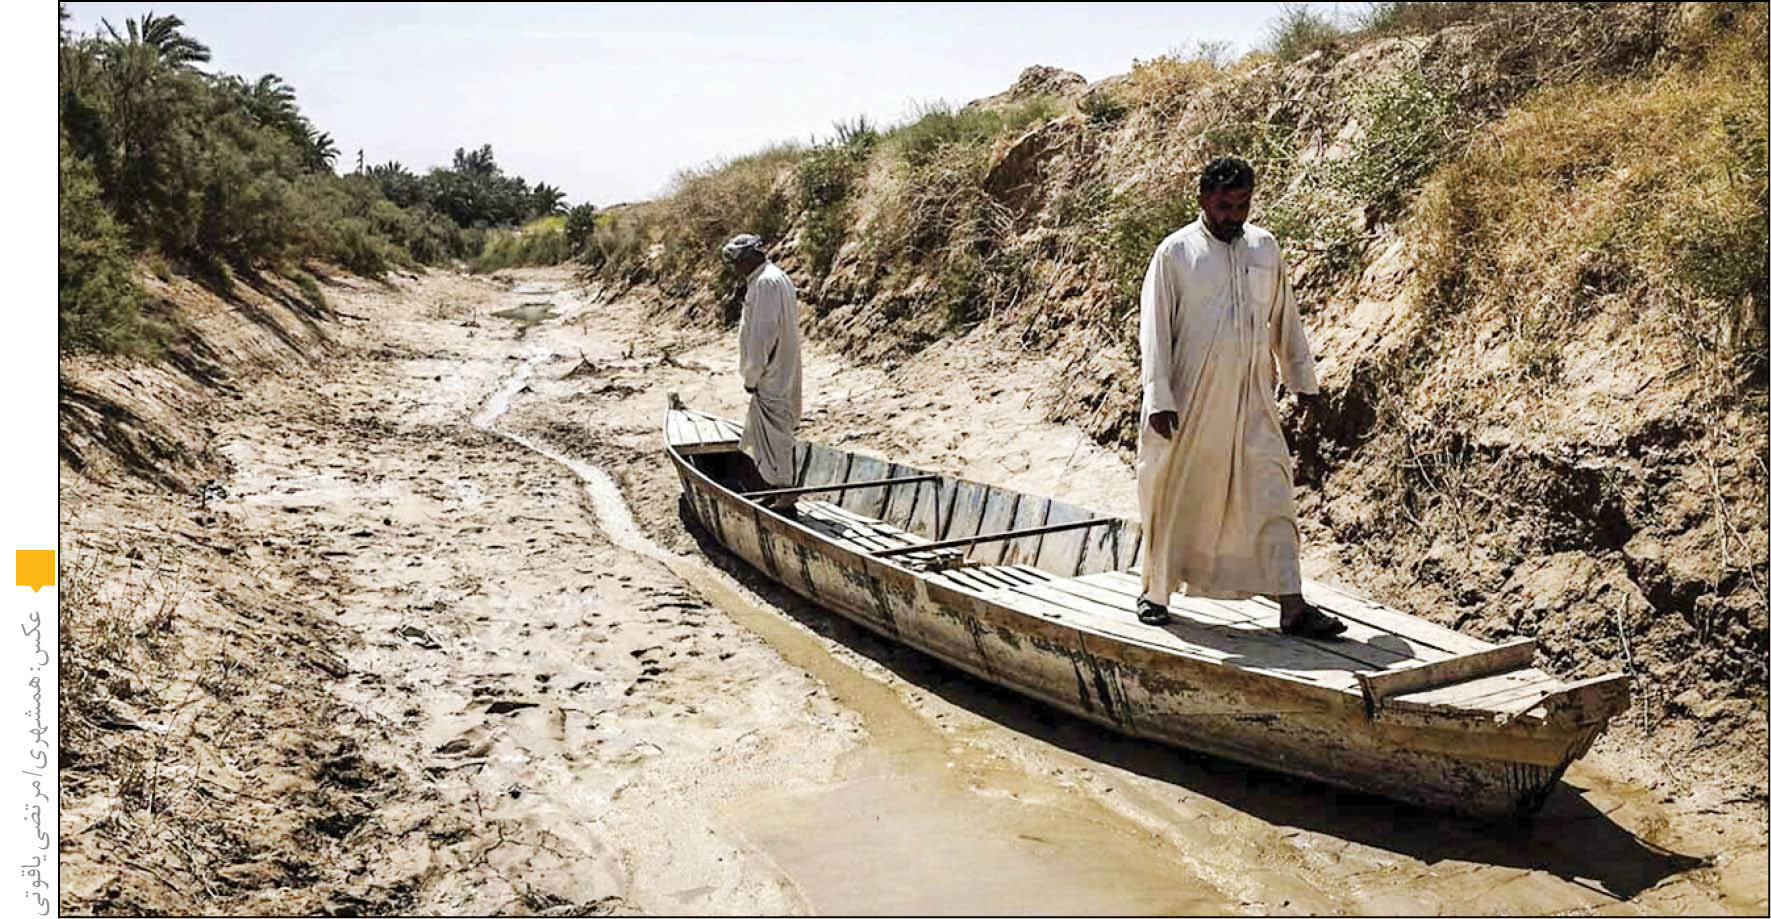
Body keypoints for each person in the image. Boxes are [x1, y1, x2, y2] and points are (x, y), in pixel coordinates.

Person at [1134, 156, 1346, 638]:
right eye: (1226, 205)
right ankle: (1156, 592)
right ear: (1204, 199)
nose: (1235, 215)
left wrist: (1304, 384)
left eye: (1244, 205)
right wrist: (1159, 398)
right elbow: (1155, 333)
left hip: (1254, 397)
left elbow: (1284, 317)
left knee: (1274, 492)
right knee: (1176, 495)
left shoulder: (1265, 248)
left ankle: (1292, 606)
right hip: (1190, 401)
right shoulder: (1175, 254)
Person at [720, 234, 802, 515]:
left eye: (737, 261)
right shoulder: (771, 277)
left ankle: (785, 499)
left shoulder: (766, 283)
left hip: (771, 373)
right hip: (779, 368)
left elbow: (762, 337)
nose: (734, 267)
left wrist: (751, 377)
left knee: (775, 434)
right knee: (770, 433)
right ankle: (775, 488)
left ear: (749, 258)